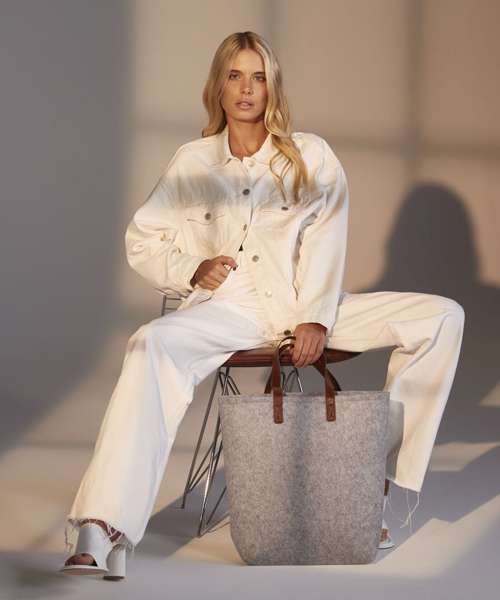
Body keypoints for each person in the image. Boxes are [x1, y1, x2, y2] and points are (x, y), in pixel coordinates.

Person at [59, 31, 465, 579]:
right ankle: (102, 525)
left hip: (305, 302)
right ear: (219, 87)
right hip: (229, 310)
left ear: (272, 87)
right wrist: (190, 268)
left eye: (258, 77)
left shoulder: (311, 155)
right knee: (149, 342)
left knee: (441, 317)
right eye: (235, 76)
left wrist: (315, 317)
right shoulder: (193, 162)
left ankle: (375, 488)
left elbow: (327, 239)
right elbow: (143, 239)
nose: (247, 89)